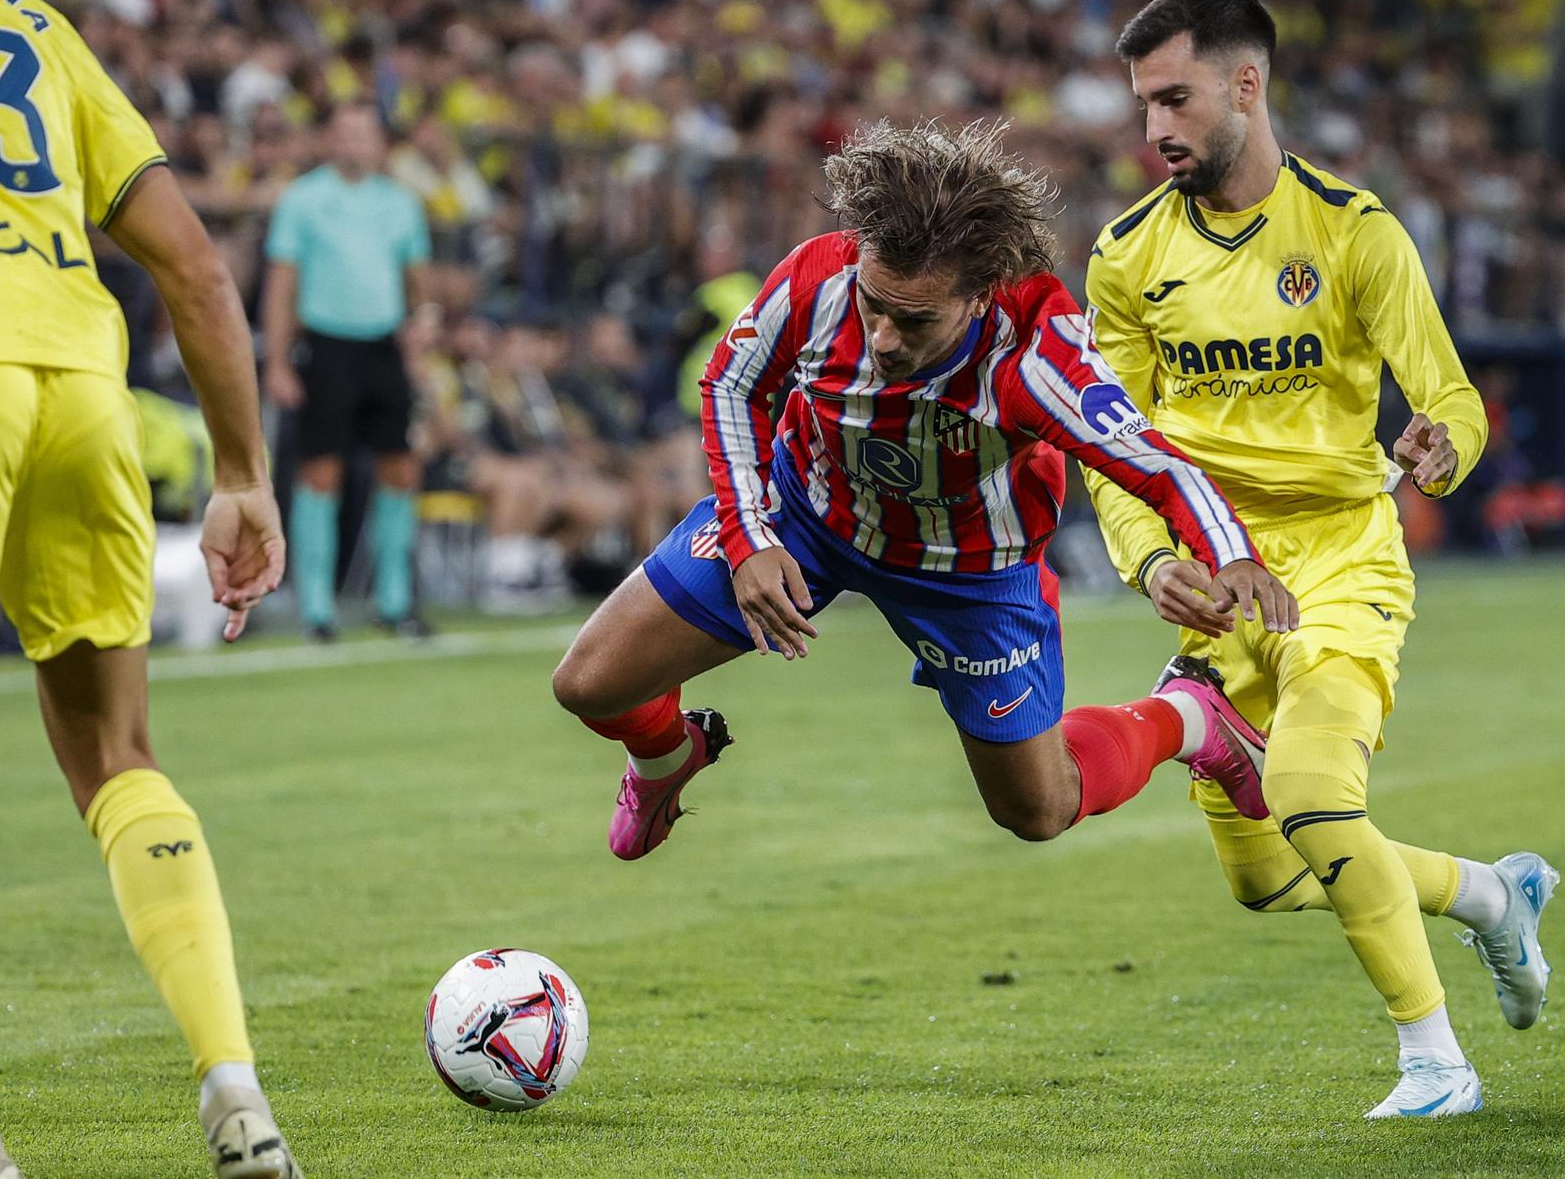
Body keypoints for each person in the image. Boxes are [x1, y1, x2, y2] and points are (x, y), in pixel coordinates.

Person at [552, 119, 1297, 863]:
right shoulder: (819, 279)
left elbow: (1150, 462)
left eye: (913, 319)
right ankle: (666, 758)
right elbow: (730, 383)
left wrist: (1231, 553)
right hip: (807, 513)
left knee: (1037, 810)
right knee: (589, 684)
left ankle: (1188, 717)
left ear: (980, 295)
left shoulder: (1040, 356)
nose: (880, 335)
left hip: (969, 570)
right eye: (874, 303)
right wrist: (750, 538)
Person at [1084, 0, 1560, 1120]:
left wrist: (1440, 449)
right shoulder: (1123, 259)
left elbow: (1448, 395)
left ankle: (1435, 1061)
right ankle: (1492, 894)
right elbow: (1112, 445)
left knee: (1308, 787)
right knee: (1263, 879)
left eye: (1175, 98)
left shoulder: (1353, 232)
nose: (1154, 128)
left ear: (1245, 86)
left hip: (1342, 561)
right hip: (1216, 580)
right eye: (1142, 104)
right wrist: (1152, 563)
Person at [0, 0, 298, 1178]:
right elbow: (190, 262)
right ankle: (236, 1089)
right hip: (81, 393)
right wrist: (241, 473)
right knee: (118, 756)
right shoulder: (17, 14)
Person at [262, 100, 434, 640]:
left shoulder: (401, 204)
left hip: (383, 345)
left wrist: (422, 327)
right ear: (329, 139)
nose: (353, 143)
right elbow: (282, 282)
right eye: (343, 132)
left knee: (399, 470)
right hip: (326, 345)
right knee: (320, 473)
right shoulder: (303, 198)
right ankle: (316, 608)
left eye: (364, 133)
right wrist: (277, 360)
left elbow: (417, 280)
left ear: (380, 143)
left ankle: (394, 602)